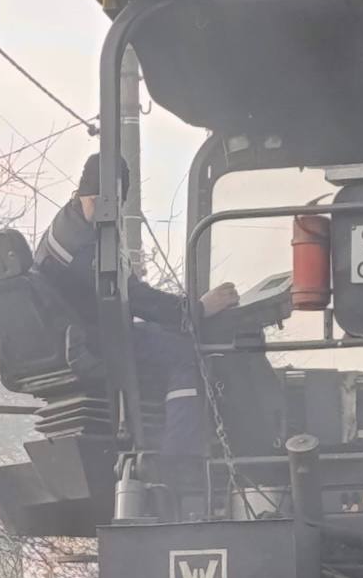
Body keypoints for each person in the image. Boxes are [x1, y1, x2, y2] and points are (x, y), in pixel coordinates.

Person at [34, 154, 235, 473]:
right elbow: (134, 298)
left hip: (82, 332)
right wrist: (195, 309)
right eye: (96, 202)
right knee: (185, 353)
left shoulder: (69, 225)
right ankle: (181, 461)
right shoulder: (81, 247)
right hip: (91, 342)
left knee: (165, 336)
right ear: (88, 196)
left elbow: (121, 292)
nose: (101, 210)